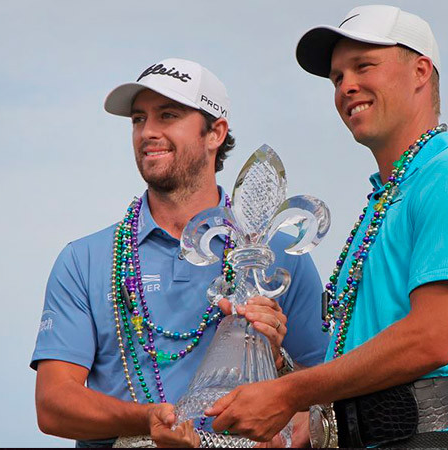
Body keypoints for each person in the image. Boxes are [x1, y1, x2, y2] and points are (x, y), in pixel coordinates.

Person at [205, 5, 448, 448]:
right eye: (336, 77)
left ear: (421, 71)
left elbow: (432, 338)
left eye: (364, 66)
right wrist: (278, 367)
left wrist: (286, 393)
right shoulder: (389, 195)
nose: (347, 86)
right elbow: (359, 360)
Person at [30, 57, 328, 448]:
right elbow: (53, 404)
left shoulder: (275, 252)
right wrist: (148, 420)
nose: (147, 132)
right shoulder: (85, 260)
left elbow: (326, 394)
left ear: (215, 133)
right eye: (138, 119)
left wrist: (276, 365)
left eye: (167, 115)